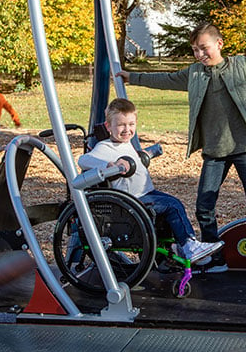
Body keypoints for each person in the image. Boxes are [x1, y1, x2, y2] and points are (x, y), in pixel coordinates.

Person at [116, 23, 246, 280]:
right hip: (215, 150)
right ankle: (215, 257)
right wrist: (132, 77)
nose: (199, 54)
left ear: (219, 44)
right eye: (195, 50)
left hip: (245, 147)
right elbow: (165, 79)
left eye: (204, 48)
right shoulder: (195, 74)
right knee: (204, 206)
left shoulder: (242, 66)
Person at [77, 98, 224, 264]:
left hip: (145, 194)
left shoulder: (127, 143)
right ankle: (189, 246)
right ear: (108, 127)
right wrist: (108, 165)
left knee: (173, 205)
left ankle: (178, 248)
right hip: (133, 200)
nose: (127, 129)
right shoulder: (105, 147)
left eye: (131, 124)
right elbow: (83, 160)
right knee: (172, 206)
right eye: (121, 125)